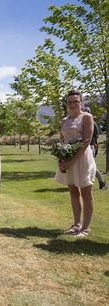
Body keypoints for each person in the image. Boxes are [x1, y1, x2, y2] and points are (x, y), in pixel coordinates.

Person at [55, 90, 96, 237]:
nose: (72, 104)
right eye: (69, 102)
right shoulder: (64, 120)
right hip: (68, 159)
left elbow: (86, 142)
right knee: (73, 192)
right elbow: (62, 142)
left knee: (86, 193)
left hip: (82, 158)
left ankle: (85, 228)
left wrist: (72, 160)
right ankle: (76, 224)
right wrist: (61, 159)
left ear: (81, 103)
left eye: (75, 101)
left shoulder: (87, 117)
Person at [83, 107, 107, 190]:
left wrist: (89, 141)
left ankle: (102, 182)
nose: (85, 114)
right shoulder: (82, 123)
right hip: (82, 147)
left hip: (90, 146)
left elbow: (96, 135)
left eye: (87, 112)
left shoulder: (93, 123)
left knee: (91, 166)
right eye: (84, 112)